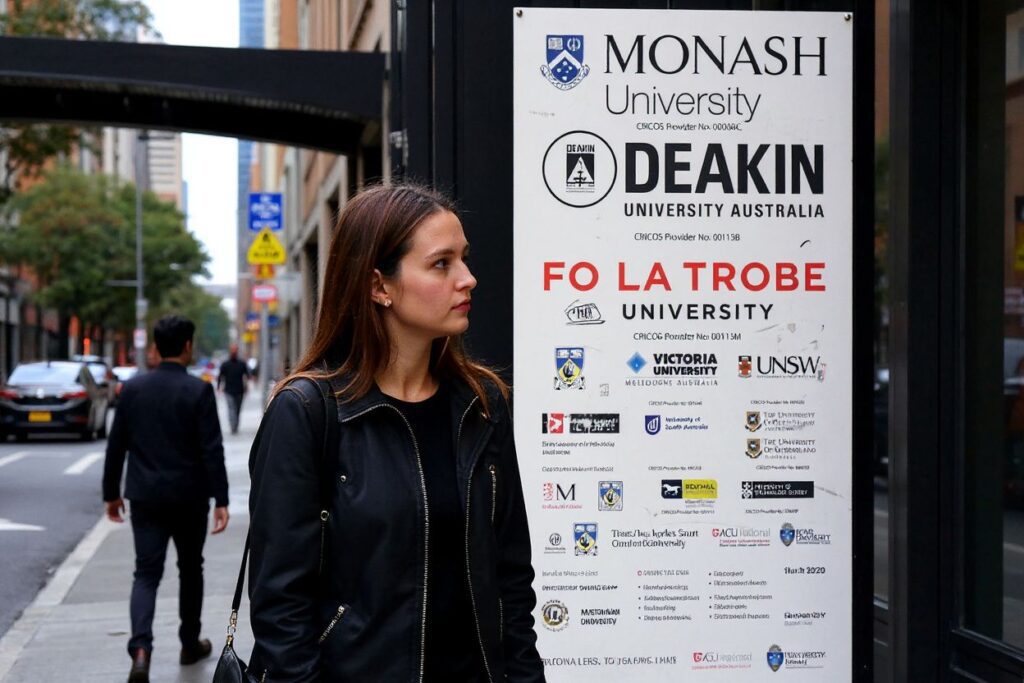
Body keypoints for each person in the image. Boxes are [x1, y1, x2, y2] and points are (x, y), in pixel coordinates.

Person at [246, 184, 544, 682]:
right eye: (441, 264)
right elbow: (281, 610)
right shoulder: (306, 413)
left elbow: (512, 580)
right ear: (379, 285)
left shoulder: (482, 403)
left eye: (463, 259)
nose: (468, 279)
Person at [102, 315, 230, 683]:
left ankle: (141, 650)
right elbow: (212, 449)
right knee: (191, 570)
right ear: (188, 346)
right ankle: (190, 642)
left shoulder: (134, 390)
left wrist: (111, 493)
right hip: (189, 498)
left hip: (144, 496)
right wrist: (221, 498)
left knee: (146, 573)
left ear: (155, 348)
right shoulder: (198, 390)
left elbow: (117, 446)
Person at [218, 343, 251, 434]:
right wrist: (218, 387)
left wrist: (247, 387)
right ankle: (233, 427)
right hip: (228, 391)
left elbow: (247, 376)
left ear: (237, 351)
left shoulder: (241, 363)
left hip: (240, 390)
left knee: (237, 409)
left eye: (235, 349)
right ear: (230, 351)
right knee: (231, 409)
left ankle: (235, 425)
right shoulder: (225, 364)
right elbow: (220, 376)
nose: (234, 351)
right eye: (232, 349)